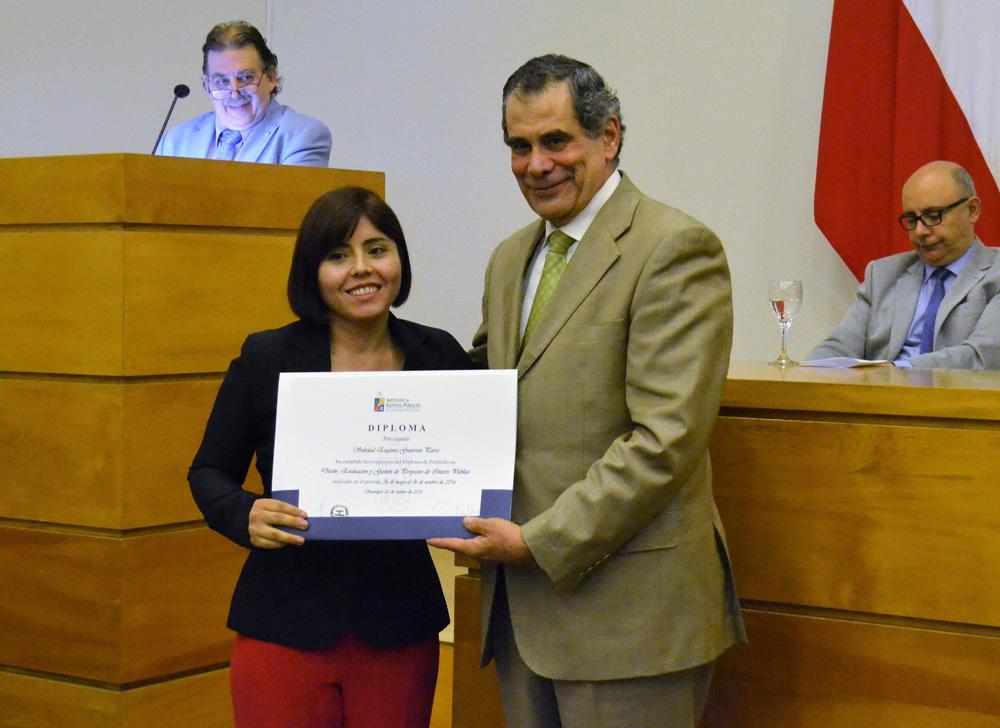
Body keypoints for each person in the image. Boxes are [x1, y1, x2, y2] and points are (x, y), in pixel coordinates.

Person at [429, 55, 745, 728]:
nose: (536, 164)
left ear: (609, 138)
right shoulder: (511, 257)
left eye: (555, 141)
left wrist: (539, 542)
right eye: (519, 146)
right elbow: (485, 393)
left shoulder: (675, 247)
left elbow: (666, 439)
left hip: (630, 617)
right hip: (522, 616)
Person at [188, 186, 470, 727]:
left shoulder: (441, 355)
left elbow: (474, 461)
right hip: (284, 623)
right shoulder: (267, 357)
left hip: (399, 627)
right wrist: (243, 512)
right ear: (311, 272)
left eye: (378, 249)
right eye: (338, 256)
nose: (361, 269)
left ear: (400, 260)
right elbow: (207, 471)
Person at [808, 160, 1000, 368]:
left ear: (972, 210)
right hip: (877, 396)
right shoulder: (882, 274)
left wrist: (896, 371)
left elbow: (983, 357)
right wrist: (805, 375)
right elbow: (840, 345)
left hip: (957, 397)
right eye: (911, 219)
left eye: (932, 216)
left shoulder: (995, 273)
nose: (920, 231)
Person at [157, 20, 331, 166]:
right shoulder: (174, 142)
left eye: (245, 77)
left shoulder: (303, 136)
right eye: (222, 81)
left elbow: (291, 205)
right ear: (207, 86)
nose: (234, 93)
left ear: (271, 77)